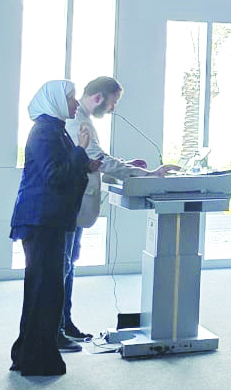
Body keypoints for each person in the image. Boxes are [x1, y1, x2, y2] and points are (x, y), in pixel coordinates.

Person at [62, 76, 176, 345]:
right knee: (63, 266)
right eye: (113, 103)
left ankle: (64, 323)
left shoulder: (83, 119)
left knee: (68, 264)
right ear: (99, 97)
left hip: (76, 203)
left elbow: (95, 159)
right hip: (70, 203)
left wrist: (128, 166)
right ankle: (59, 327)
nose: (113, 109)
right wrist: (147, 174)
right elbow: (99, 160)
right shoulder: (77, 121)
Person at [9, 81, 101, 376]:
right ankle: (36, 360)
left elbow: (62, 168)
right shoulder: (45, 131)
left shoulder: (54, 129)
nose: (75, 103)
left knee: (43, 290)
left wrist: (84, 163)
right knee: (45, 291)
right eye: (71, 98)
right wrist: (81, 150)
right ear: (55, 101)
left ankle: (28, 355)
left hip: (48, 220)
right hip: (42, 221)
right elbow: (54, 175)